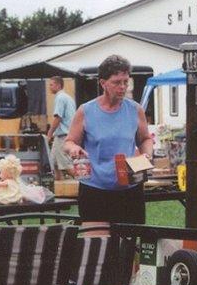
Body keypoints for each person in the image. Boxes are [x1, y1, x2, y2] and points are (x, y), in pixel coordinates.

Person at [64, 55, 153, 225]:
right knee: (98, 246)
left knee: (129, 246)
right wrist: (73, 149)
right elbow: (69, 142)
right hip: (95, 190)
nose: (123, 87)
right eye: (116, 82)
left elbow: (145, 139)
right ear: (103, 83)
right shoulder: (86, 111)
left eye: (126, 82)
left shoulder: (136, 110)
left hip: (130, 190)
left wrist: (146, 155)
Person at [46, 76, 76, 180]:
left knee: (65, 164)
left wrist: (49, 133)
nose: (49, 87)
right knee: (53, 162)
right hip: (63, 134)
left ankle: (84, 184)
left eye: (51, 85)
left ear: (58, 85)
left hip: (63, 135)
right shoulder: (68, 97)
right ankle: (59, 187)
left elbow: (58, 117)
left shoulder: (60, 98)